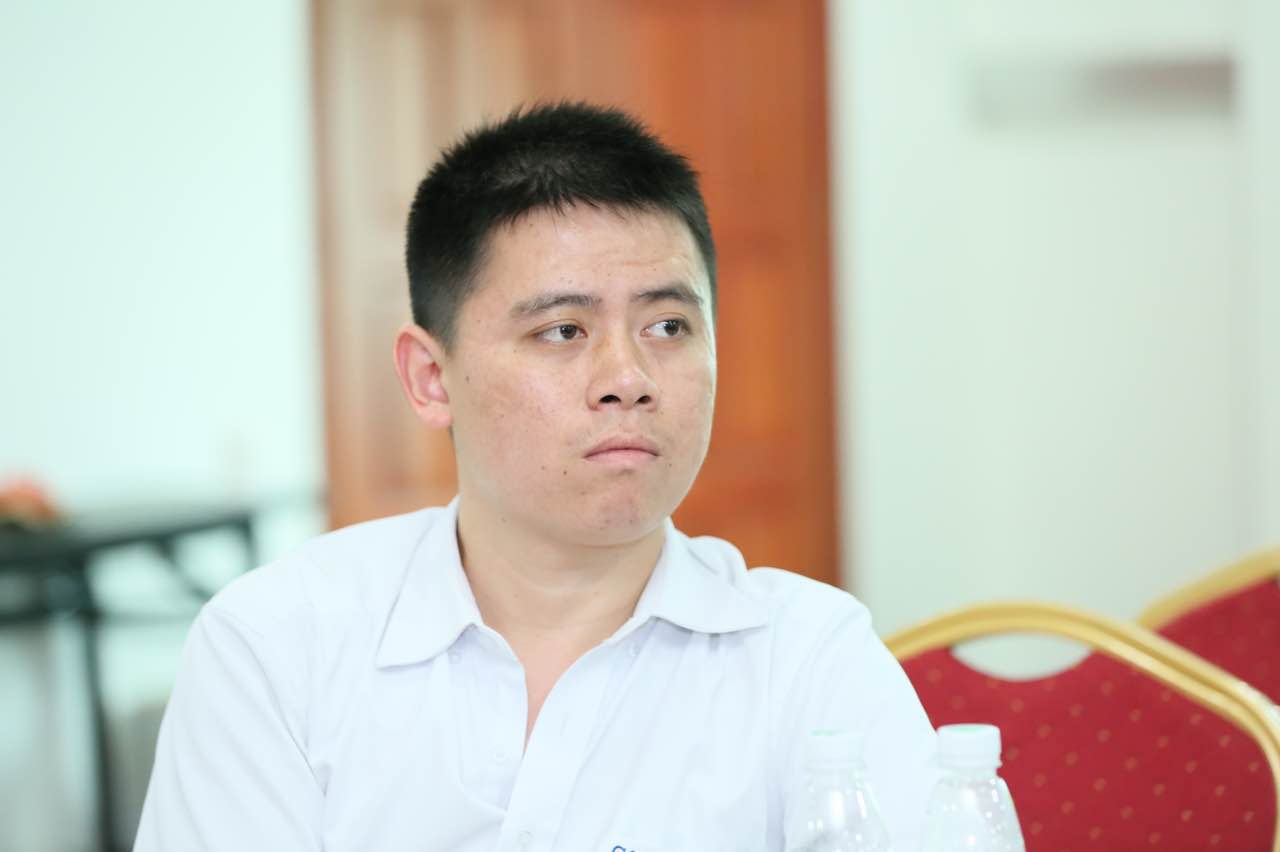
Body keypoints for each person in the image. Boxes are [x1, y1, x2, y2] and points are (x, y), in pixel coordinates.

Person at [134, 102, 936, 851]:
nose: (628, 378)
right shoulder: (277, 648)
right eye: (562, 331)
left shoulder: (809, 661)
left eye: (668, 326)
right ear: (431, 378)